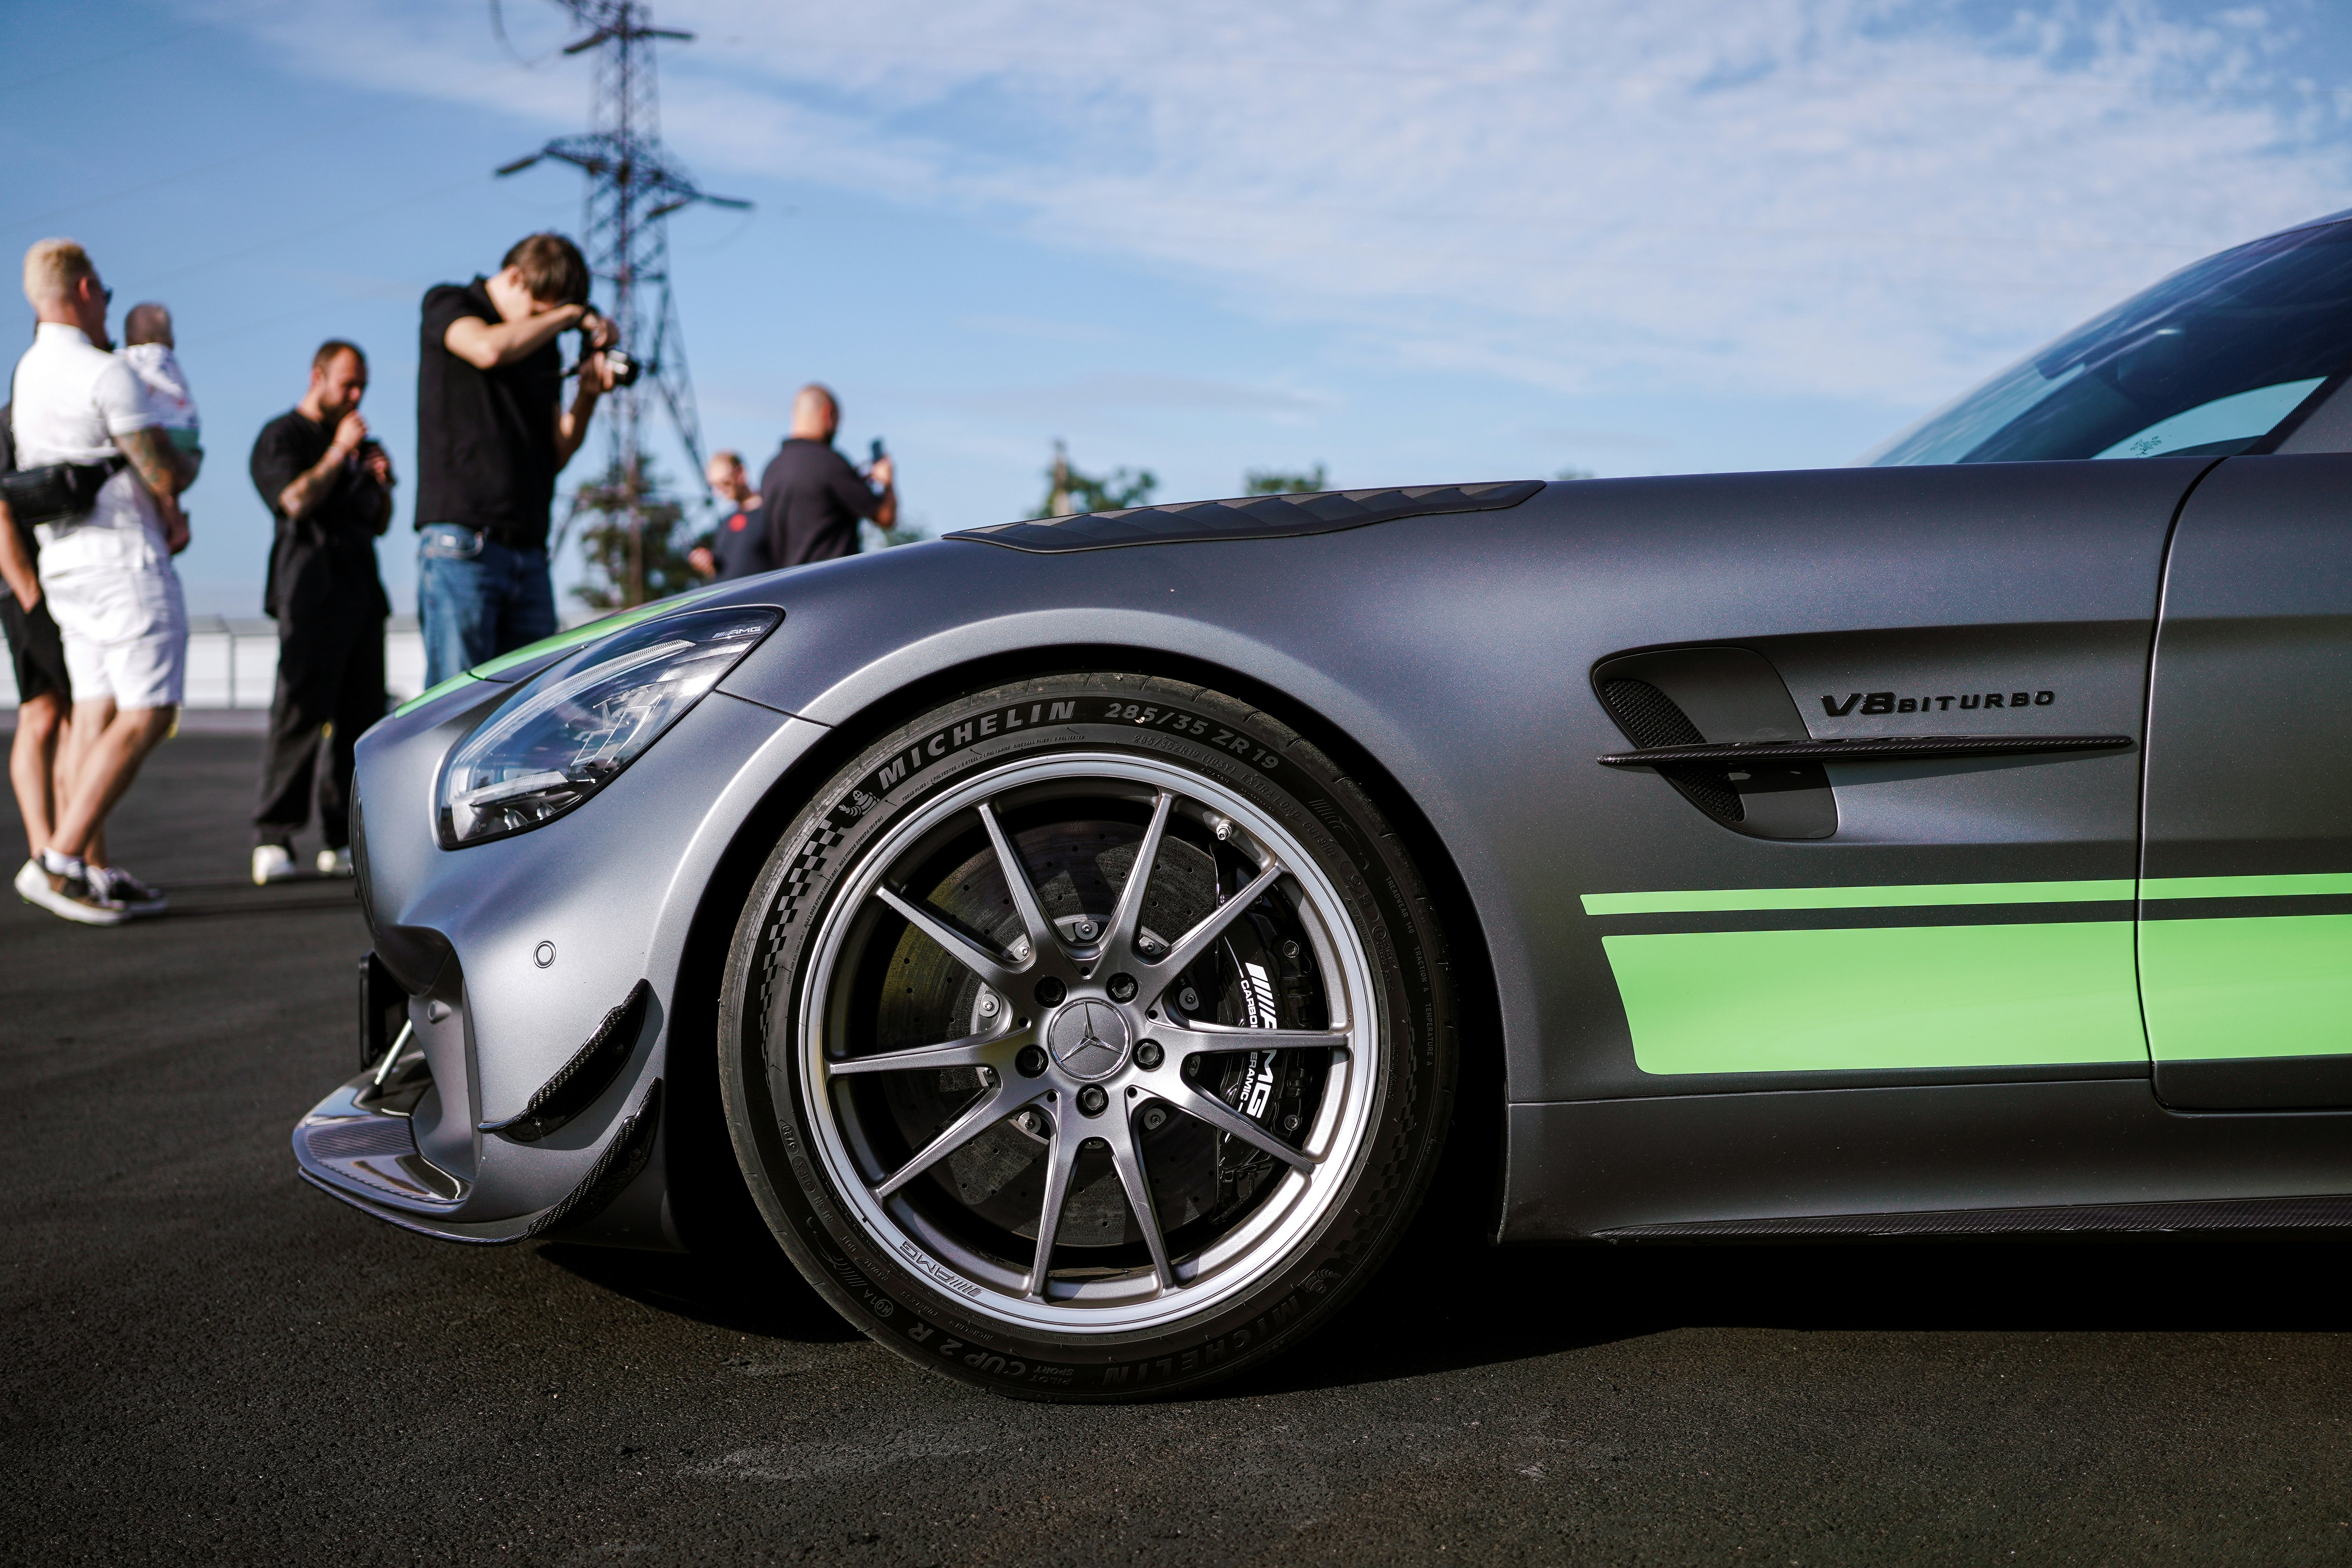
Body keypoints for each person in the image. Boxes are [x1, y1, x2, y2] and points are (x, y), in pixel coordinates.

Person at [7, 239, 195, 925]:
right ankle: (58, 862)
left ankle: (88, 868)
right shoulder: (106, 371)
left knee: (93, 712)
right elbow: (166, 471)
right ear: (85, 289)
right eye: (105, 294)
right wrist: (182, 455)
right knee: (150, 712)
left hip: (64, 564)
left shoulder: (28, 373)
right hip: (123, 561)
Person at [413, 232, 614, 688]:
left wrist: (587, 395)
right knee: (457, 703)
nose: (549, 323)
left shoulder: (542, 345)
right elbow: (486, 349)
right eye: (542, 311)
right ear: (515, 277)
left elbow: (556, 453)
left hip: (530, 550)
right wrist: (570, 315)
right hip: (463, 545)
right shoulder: (451, 302)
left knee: (529, 705)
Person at [247, 340, 393, 885]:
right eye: (348, 385)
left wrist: (379, 482)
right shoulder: (283, 436)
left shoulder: (363, 445)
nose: (356, 397)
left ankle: (340, 838)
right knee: (300, 715)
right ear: (318, 377)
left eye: (363, 388)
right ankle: (274, 836)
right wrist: (338, 452)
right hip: (309, 595)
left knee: (360, 721)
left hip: (363, 596)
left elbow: (381, 522)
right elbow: (294, 501)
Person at [756, 384, 895, 570]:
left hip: (787, 584)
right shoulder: (830, 463)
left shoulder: (772, 469)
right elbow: (885, 517)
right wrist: (887, 482)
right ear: (828, 414)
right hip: (831, 582)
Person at [119, 302, 201, 459]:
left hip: (163, 429)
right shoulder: (169, 359)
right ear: (171, 340)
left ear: (129, 341)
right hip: (189, 430)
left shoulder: (136, 355)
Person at [686, 449, 768, 581]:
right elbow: (722, 571)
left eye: (725, 483)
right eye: (715, 486)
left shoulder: (770, 513)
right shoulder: (726, 524)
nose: (719, 492)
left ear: (740, 473)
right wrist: (708, 563)